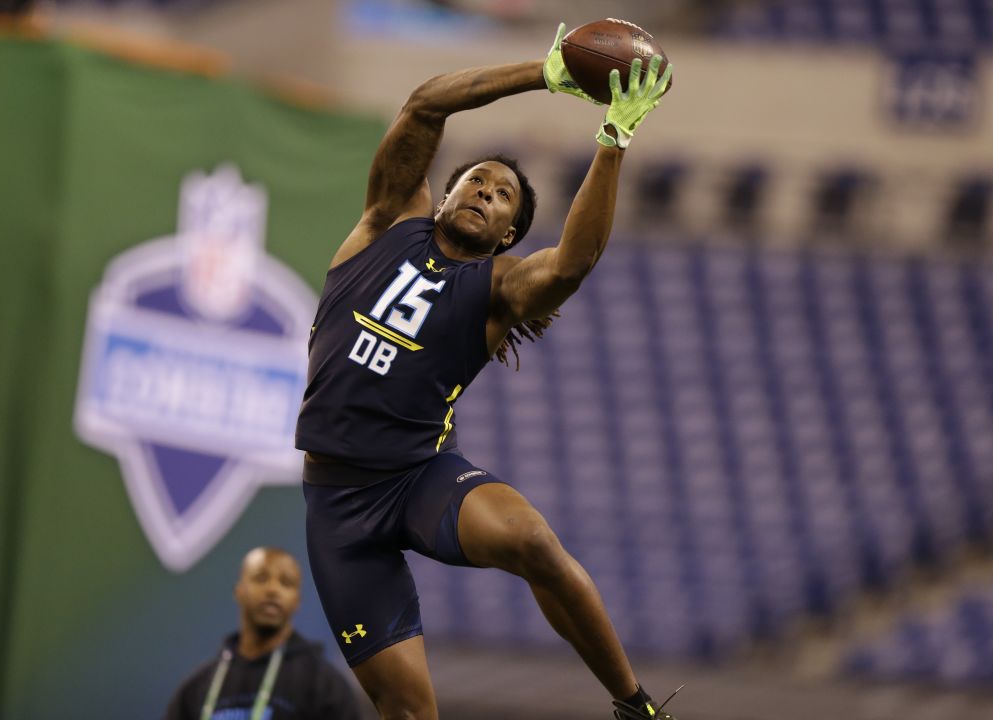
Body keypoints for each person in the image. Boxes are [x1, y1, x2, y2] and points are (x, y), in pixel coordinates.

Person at [294, 23, 678, 720]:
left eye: (501, 195)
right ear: (443, 194)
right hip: (337, 506)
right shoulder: (386, 220)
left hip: (416, 479)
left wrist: (612, 140)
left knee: (532, 539)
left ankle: (634, 704)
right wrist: (547, 70)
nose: (484, 192)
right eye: (476, 180)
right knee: (410, 713)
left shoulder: (499, 290)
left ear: (507, 233)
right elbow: (424, 106)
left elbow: (572, 263)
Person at [165, 547, 365, 720]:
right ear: (239, 590)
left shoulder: (324, 685)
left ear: (297, 601)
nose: (272, 590)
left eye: (286, 583)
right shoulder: (197, 688)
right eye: (261, 578)